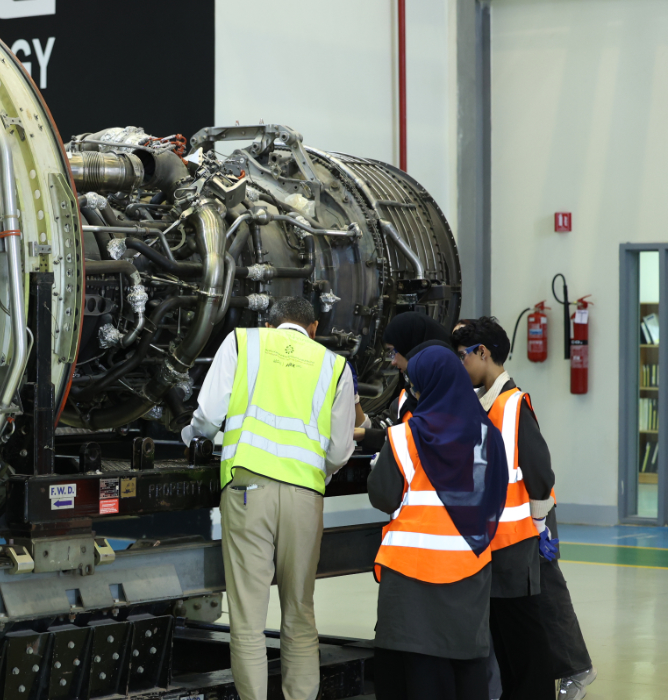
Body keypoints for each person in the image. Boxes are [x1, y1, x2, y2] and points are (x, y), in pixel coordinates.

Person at [182, 296, 355, 700]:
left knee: (247, 617)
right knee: (299, 611)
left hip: (247, 491)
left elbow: (208, 415)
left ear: (271, 322)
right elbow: (339, 450)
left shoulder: (243, 342)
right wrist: (316, 471)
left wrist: (195, 438)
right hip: (304, 497)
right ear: (313, 329)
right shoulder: (334, 366)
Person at [453, 318, 595, 700]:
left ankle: (574, 671)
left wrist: (539, 524)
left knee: (533, 622)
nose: (460, 365)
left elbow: (539, 471)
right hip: (500, 538)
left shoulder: (513, 404)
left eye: (463, 356)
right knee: (510, 632)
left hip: (523, 535)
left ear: (483, 353)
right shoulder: (487, 403)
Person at [368, 345, 510, 700]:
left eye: (414, 384)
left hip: (409, 579)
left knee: (417, 672)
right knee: (466, 666)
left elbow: (383, 495)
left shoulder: (403, 436)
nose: (413, 392)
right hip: (468, 571)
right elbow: (496, 494)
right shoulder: (488, 435)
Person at [357, 312, 456, 450]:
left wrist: (370, 436)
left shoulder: (452, 399)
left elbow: (422, 440)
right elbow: (376, 428)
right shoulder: (406, 397)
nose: (393, 361)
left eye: (394, 352)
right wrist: (354, 398)